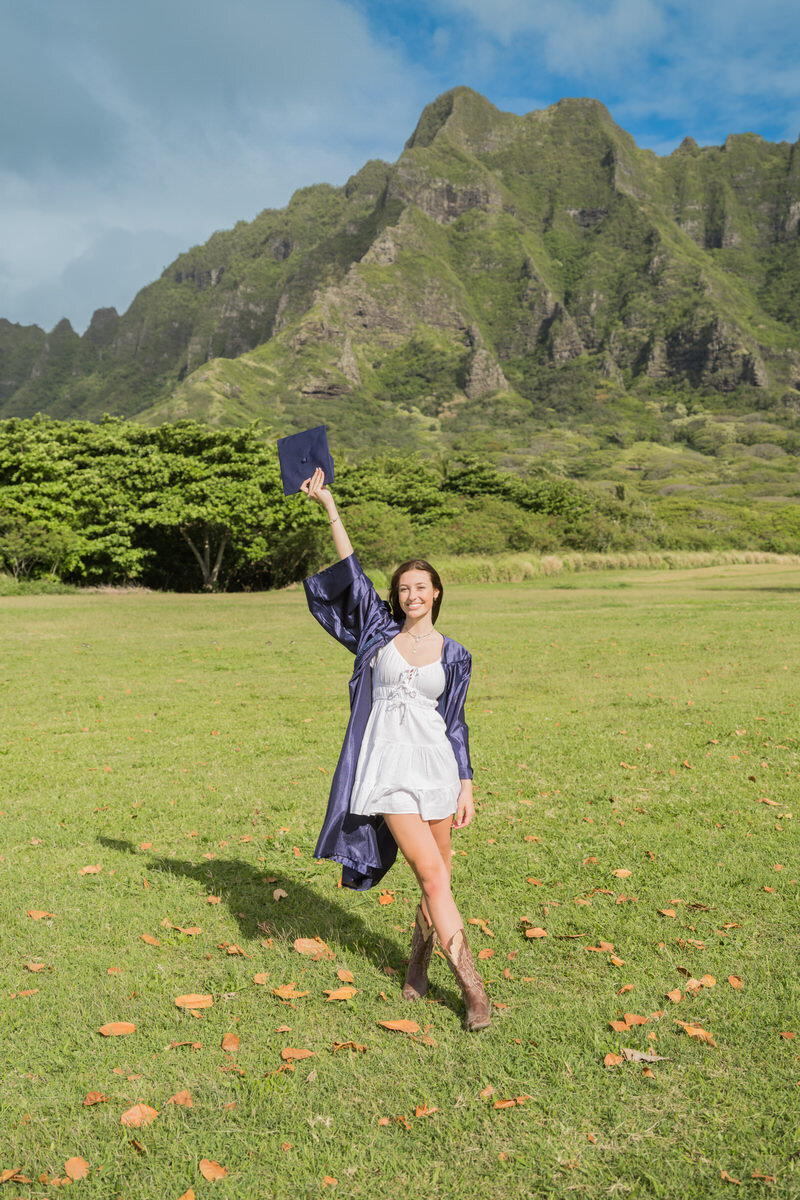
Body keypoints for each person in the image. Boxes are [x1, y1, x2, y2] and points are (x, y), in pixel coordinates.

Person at [299, 467, 490, 1031]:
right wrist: (329, 506)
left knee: (440, 879)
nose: (411, 595)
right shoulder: (378, 635)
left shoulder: (455, 654)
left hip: (436, 768)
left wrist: (466, 782)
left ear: (435, 595)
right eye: (403, 588)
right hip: (387, 769)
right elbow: (351, 573)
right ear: (396, 596)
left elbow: (454, 723)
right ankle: (476, 992)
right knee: (430, 873)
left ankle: (417, 966)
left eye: (420, 588)